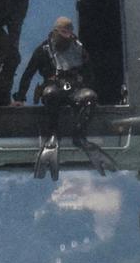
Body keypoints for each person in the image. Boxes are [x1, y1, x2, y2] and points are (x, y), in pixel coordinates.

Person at [12, 16, 110, 176]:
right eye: (63, 32)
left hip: (75, 90)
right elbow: (28, 73)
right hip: (54, 88)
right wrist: (20, 98)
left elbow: (90, 72)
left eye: (69, 33)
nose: (66, 36)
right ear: (55, 31)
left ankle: (79, 135)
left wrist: (91, 88)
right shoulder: (44, 50)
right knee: (50, 94)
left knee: (89, 97)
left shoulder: (78, 49)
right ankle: (53, 134)